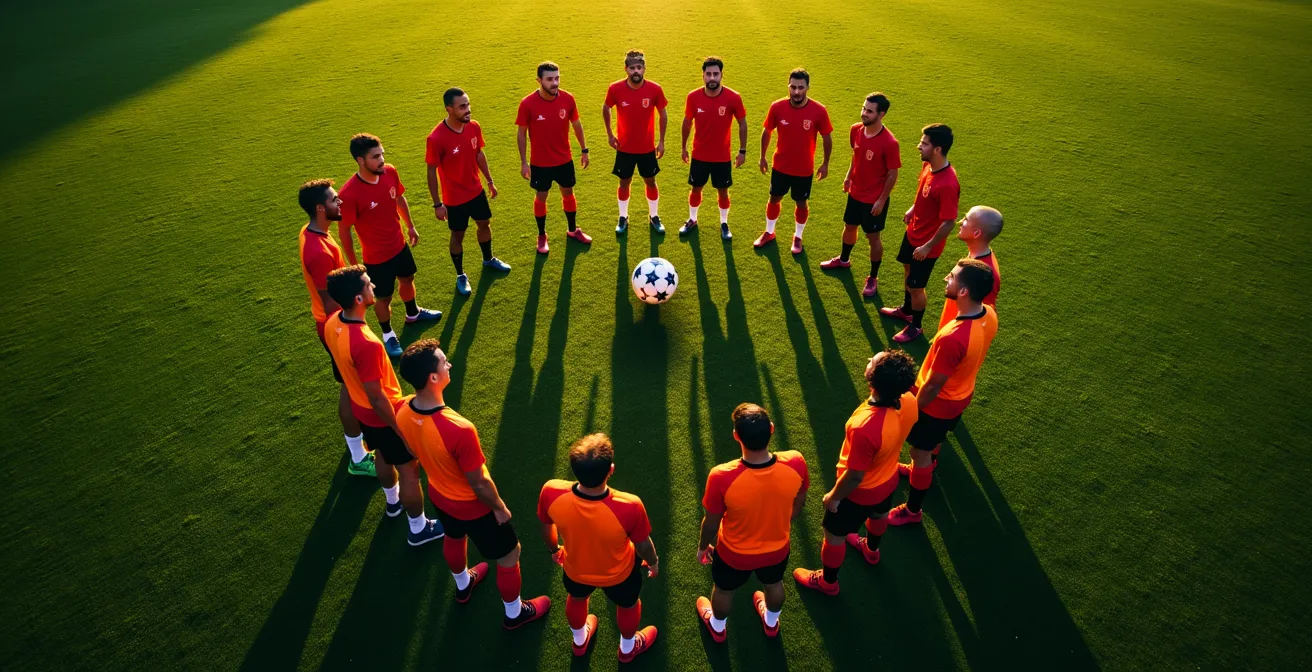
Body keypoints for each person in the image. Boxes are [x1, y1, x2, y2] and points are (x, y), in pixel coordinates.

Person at [396, 340, 547, 627]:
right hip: (474, 508)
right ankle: (515, 613)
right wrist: (500, 508)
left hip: (439, 497)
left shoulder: (402, 408)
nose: (449, 364)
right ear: (433, 378)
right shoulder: (459, 429)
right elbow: (478, 483)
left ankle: (463, 584)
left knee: (453, 537)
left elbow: (410, 447)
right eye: (444, 362)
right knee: (509, 554)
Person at [322, 266, 444, 546]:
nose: (373, 287)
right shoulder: (366, 344)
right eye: (368, 285)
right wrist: (400, 430)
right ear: (357, 298)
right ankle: (418, 528)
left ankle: (393, 503)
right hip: (384, 413)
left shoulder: (332, 323)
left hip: (361, 411)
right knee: (410, 470)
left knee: (381, 455)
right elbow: (377, 396)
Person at [792, 350, 917, 595]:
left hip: (859, 493)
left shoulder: (865, 427)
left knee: (833, 535)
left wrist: (834, 497)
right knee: (880, 515)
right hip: (888, 480)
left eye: (874, 360)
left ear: (872, 377)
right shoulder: (910, 400)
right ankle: (871, 550)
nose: (870, 358)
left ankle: (828, 582)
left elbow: (855, 475)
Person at [887, 259, 998, 526]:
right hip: (961, 397)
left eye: (952, 277)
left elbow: (934, 385)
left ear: (963, 292)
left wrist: (912, 410)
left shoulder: (954, 337)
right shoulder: (989, 314)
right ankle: (928, 463)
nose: (946, 278)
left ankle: (913, 510)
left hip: (937, 404)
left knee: (919, 452)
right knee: (933, 443)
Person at [538, 434, 660, 661]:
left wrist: (554, 549)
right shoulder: (630, 505)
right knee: (629, 605)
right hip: (620, 575)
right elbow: (643, 544)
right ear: (611, 469)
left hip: (575, 569)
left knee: (576, 598)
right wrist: (653, 562)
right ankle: (627, 648)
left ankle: (579, 641)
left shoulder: (551, 491)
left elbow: (546, 526)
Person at [695, 404, 808, 641]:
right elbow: (799, 502)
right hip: (777, 548)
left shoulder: (721, 476)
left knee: (724, 590)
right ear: (772, 429)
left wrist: (703, 546)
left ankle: (717, 626)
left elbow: (711, 522)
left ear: (736, 436)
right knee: (774, 583)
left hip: (734, 554)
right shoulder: (796, 462)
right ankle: (771, 622)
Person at [338, 133, 442, 357]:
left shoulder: (390, 172)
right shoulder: (349, 194)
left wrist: (410, 226)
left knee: (408, 279)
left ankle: (413, 313)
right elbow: (344, 230)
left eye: (382, 154)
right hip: (376, 258)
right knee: (383, 298)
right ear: (360, 160)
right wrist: (354, 265)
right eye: (375, 157)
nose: (382, 160)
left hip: (399, 245)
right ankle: (388, 334)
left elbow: (399, 198)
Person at [297, 179, 375, 478]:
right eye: (333, 199)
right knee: (351, 388)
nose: (340, 202)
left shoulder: (311, 232)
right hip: (336, 326)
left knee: (350, 385)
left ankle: (358, 446)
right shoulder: (318, 251)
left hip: (334, 324)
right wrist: (351, 329)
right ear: (320, 208)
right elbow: (329, 301)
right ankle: (358, 457)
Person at [879, 124, 960, 342]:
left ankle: (916, 326)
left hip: (926, 246)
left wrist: (928, 247)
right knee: (907, 269)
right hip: (913, 232)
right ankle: (906, 309)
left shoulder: (948, 183)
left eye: (924, 144)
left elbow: (949, 222)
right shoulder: (928, 167)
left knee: (917, 287)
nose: (918, 147)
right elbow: (923, 194)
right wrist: (913, 209)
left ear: (938, 149)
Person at [427, 88, 510, 298]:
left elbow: (479, 154)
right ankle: (460, 275)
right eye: (462, 107)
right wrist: (437, 204)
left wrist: (489, 181)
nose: (468, 110)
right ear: (449, 109)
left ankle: (488, 259)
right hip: (454, 200)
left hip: (476, 191)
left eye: (468, 104)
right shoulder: (436, 138)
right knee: (458, 235)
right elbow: (431, 171)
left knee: (484, 224)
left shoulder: (473, 127)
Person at [820, 93, 901, 298]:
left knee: (872, 237)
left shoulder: (890, 143)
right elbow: (855, 155)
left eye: (869, 111)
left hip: (873, 199)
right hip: (855, 193)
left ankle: (873, 277)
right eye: (864, 108)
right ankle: (844, 260)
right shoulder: (856, 129)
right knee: (849, 226)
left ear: (881, 114)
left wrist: (882, 200)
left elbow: (893, 174)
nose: (864, 113)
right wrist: (848, 177)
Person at [754, 68, 833, 255]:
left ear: (807, 88)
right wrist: (762, 157)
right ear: (788, 86)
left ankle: (798, 236)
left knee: (801, 202)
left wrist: (825, 163)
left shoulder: (819, 111)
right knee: (774, 197)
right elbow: (767, 131)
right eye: (793, 87)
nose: (796, 92)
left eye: (801, 87)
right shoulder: (777, 107)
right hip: (780, 165)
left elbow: (827, 137)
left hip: (804, 169)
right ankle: (769, 232)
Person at [516, 61, 593, 254]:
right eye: (550, 79)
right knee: (541, 197)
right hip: (540, 163)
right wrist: (524, 163)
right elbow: (521, 134)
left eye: (557, 78)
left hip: (564, 160)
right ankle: (542, 235)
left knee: (568, 193)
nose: (555, 83)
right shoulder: (527, 104)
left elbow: (577, 125)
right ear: (539, 80)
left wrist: (584, 150)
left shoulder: (568, 99)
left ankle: (573, 230)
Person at [678, 56, 748, 240]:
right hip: (699, 155)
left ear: (721, 75)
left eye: (715, 74)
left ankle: (724, 223)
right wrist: (683, 148)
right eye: (708, 74)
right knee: (696, 189)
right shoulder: (693, 97)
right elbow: (687, 123)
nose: (712, 78)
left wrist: (742, 151)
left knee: (723, 191)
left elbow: (742, 124)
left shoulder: (733, 97)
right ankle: (692, 219)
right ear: (703, 75)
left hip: (722, 157)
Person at [602, 50, 668, 235]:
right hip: (625, 148)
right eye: (632, 68)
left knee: (651, 182)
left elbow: (663, 113)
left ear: (644, 68)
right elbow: (606, 107)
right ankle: (623, 217)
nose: (636, 71)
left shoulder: (655, 89)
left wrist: (661, 141)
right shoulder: (615, 88)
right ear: (626, 69)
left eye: (639, 67)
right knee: (624, 182)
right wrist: (610, 134)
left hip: (647, 148)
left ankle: (654, 216)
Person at [934, 206, 1002, 334]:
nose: (960, 222)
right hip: (949, 328)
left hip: (955, 336)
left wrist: (953, 337)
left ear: (976, 233)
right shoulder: (976, 255)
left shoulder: (986, 273)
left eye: (966, 219)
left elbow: (982, 315)